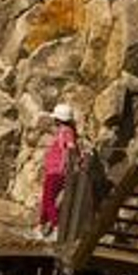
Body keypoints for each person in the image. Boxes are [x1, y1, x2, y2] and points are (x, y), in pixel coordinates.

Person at [37, 103, 82, 242]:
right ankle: (41, 229)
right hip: (53, 171)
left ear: (58, 119)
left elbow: (71, 147)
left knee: (48, 201)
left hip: (57, 171)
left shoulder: (66, 131)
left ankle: (57, 228)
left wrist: (66, 165)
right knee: (45, 200)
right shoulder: (65, 130)